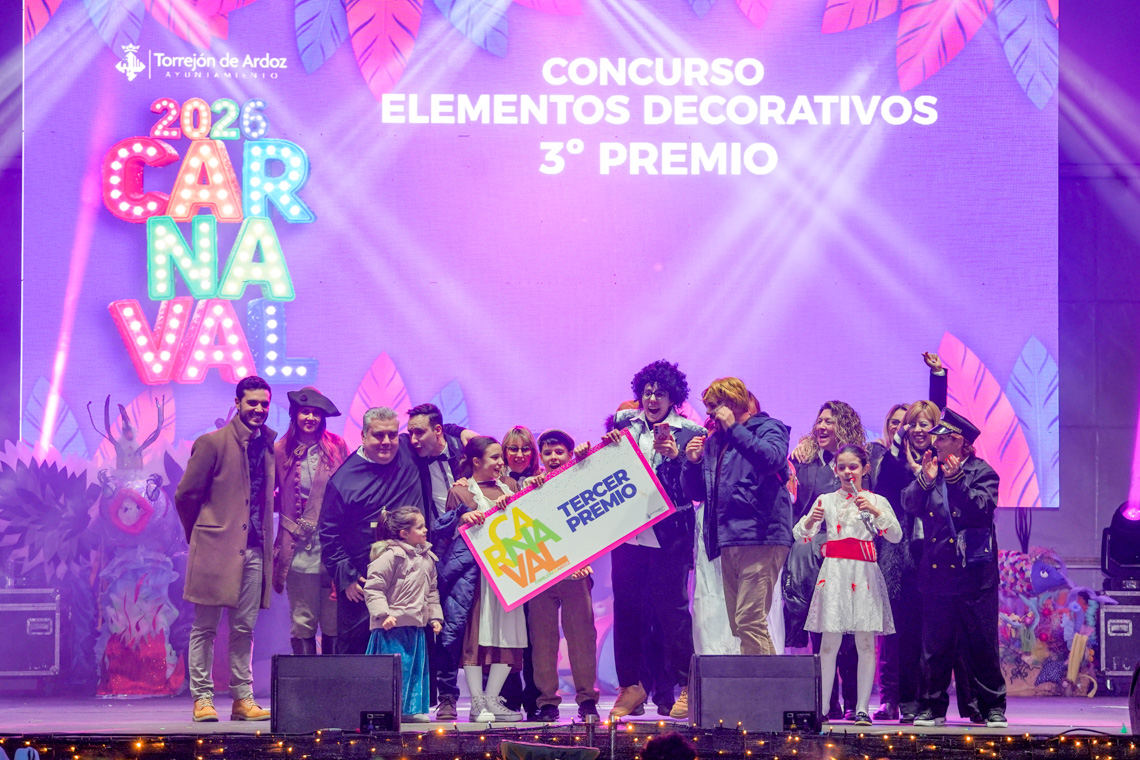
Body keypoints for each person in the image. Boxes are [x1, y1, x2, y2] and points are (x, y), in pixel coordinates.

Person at [608, 360, 705, 721]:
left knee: (672, 611)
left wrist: (678, 460)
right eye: (647, 392)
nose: (652, 399)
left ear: (673, 398)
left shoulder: (691, 431)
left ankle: (686, 686)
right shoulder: (623, 423)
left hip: (671, 533)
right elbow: (608, 471)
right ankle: (630, 686)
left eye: (660, 393)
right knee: (626, 609)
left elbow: (696, 492)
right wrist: (597, 454)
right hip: (628, 532)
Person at [175, 376, 276, 722]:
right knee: (205, 627)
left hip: (254, 550)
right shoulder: (212, 443)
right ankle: (202, 698)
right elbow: (185, 495)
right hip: (215, 548)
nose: (259, 409)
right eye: (252, 402)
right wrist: (202, 533)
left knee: (244, 629)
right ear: (237, 403)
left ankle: (242, 699)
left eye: (264, 403)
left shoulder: (267, 446)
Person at [902, 409, 1007, 728]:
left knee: (981, 644)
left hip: (974, 572)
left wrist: (957, 480)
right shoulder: (931, 469)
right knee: (934, 646)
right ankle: (931, 706)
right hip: (937, 572)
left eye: (942, 438)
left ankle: (992, 705)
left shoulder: (981, 472)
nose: (935, 443)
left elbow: (981, 510)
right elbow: (909, 504)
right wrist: (924, 479)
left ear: (959, 442)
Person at [681, 377, 793, 659]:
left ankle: (759, 686)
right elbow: (698, 493)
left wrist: (734, 429)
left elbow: (772, 460)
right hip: (728, 539)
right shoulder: (715, 442)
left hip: (761, 536)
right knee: (742, 625)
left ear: (733, 402)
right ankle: (766, 683)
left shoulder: (769, 427)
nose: (709, 414)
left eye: (714, 406)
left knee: (749, 620)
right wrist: (692, 463)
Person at [793, 444, 902, 725]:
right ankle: (823, 709)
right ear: (835, 470)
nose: (847, 472)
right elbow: (800, 536)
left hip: (864, 574)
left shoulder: (876, 500)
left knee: (865, 643)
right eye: (841, 467)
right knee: (829, 644)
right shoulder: (826, 500)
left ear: (865, 469)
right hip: (835, 573)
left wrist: (875, 511)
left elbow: (895, 535)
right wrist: (810, 520)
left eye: (853, 466)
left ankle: (862, 708)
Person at [871, 352, 950, 722]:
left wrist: (938, 375)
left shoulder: (940, 461)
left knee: (931, 634)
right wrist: (899, 446)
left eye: (924, 425)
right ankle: (905, 701)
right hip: (902, 558)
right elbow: (884, 492)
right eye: (911, 426)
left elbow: (939, 416)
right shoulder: (893, 464)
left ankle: (929, 701)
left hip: (934, 555)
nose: (918, 429)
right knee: (902, 634)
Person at [783, 400, 865, 719]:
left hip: (848, 556)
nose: (821, 426)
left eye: (829, 421)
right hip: (812, 559)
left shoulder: (857, 463)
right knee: (820, 632)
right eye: (819, 420)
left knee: (849, 633)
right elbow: (795, 505)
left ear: (844, 425)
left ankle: (854, 701)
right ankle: (827, 703)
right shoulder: (804, 461)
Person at [318, 407, 424, 654]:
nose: (386, 442)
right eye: (378, 435)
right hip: (363, 584)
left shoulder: (408, 450)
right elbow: (329, 534)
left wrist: (462, 433)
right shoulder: (343, 480)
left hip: (409, 581)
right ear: (363, 436)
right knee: (358, 655)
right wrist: (347, 577)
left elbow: (436, 430)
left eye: (392, 434)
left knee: (405, 653)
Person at [438, 436, 527, 722]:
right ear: (476, 461)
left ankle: (491, 698)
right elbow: (446, 534)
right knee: (475, 637)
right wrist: (462, 520)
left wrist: (511, 505)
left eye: (501, 457)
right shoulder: (460, 491)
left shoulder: (511, 486)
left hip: (509, 573)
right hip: (476, 577)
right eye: (494, 457)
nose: (501, 462)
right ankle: (476, 701)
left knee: (507, 634)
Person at [403, 402, 470, 721]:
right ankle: (442, 696)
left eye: (420, 432)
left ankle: (495, 696)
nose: (414, 439)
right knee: (440, 623)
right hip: (437, 549)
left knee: (471, 624)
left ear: (438, 430)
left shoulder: (464, 450)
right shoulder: (412, 455)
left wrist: (461, 432)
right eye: (411, 433)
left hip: (476, 545)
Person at [527, 429, 600, 722]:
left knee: (582, 640)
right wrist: (529, 491)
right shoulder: (530, 487)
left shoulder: (582, 478)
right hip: (541, 576)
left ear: (570, 455)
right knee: (543, 642)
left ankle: (587, 701)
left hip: (576, 575)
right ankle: (547, 702)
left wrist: (585, 461)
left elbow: (597, 522)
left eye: (559, 452)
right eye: (547, 453)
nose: (553, 457)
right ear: (541, 458)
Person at [272, 387, 349, 656]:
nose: (310, 418)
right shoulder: (280, 450)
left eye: (316, 413)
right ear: (295, 414)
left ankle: (333, 680)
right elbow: (268, 494)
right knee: (303, 619)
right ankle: (305, 681)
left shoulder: (337, 446)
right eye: (305, 412)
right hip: (297, 548)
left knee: (332, 621)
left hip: (331, 547)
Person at [364, 506, 443, 723]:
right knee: (394, 671)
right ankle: (385, 710)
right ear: (404, 533)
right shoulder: (391, 556)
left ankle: (409, 710)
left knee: (415, 670)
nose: (425, 530)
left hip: (415, 627)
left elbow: (432, 591)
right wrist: (383, 614)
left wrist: (435, 617)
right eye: (420, 527)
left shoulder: (427, 558)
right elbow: (374, 588)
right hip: (392, 628)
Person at [497, 425, 543, 721]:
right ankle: (509, 698)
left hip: (538, 570)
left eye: (525, 448)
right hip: (506, 570)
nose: (519, 454)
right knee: (508, 639)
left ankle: (536, 699)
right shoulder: (492, 483)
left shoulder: (544, 480)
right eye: (513, 448)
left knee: (535, 640)